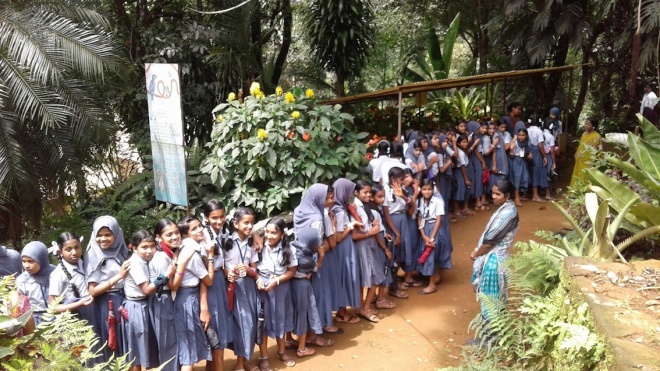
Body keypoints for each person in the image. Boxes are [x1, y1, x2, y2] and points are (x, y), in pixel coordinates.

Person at [292, 183, 339, 345]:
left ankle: (301, 335)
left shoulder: (299, 211)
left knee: (301, 300)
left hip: (297, 259)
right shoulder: (319, 217)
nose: (330, 201)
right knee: (316, 296)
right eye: (326, 198)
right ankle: (313, 334)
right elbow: (319, 245)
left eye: (332, 198)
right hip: (313, 262)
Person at [470, 179, 519, 329]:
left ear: (508, 196)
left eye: (498, 194)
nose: (493, 196)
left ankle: (490, 336)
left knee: (490, 298)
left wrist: (476, 254)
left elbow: (489, 242)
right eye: (493, 193)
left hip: (494, 262)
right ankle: (499, 333)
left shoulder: (507, 214)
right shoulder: (507, 209)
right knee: (498, 296)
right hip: (498, 259)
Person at [123, 230, 171, 370]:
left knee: (145, 345)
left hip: (145, 304)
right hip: (136, 306)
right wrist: (166, 275)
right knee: (137, 347)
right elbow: (146, 289)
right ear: (134, 248)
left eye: (152, 246)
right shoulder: (134, 263)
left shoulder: (144, 260)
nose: (149, 251)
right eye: (144, 247)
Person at [86, 216, 130, 364]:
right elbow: (93, 291)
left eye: (107, 235)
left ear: (116, 235)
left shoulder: (121, 250)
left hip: (123, 302)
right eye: (99, 235)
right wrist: (119, 276)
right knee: (111, 344)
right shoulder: (94, 254)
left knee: (126, 345)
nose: (103, 239)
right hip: (106, 305)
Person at [256, 217, 297, 370]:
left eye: (274, 233)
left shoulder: (289, 249)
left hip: (280, 289)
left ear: (282, 234)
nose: (269, 236)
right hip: (262, 289)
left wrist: (278, 280)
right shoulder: (259, 247)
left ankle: (281, 351)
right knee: (263, 322)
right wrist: (259, 278)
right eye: (267, 232)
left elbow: (292, 271)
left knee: (281, 319)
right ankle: (263, 357)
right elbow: (252, 267)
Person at [222, 207, 260, 371]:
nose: (250, 226)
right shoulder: (226, 242)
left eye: (252, 223)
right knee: (240, 325)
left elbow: (253, 268)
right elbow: (221, 265)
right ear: (235, 224)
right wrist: (228, 273)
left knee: (250, 324)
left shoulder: (252, 242)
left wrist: (249, 270)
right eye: (246, 223)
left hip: (249, 288)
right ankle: (239, 363)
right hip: (233, 289)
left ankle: (244, 360)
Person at [174, 215, 214, 371]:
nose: (200, 230)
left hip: (183, 297)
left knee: (187, 345)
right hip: (188, 298)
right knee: (188, 351)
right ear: (185, 234)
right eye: (194, 228)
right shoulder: (192, 253)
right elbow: (209, 280)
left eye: (200, 226)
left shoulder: (184, 247)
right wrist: (210, 256)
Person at [200, 200, 233, 371]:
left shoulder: (221, 232)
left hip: (220, 280)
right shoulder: (204, 237)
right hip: (209, 284)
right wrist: (204, 306)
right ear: (206, 218)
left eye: (222, 217)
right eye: (214, 218)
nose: (219, 221)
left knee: (219, 328)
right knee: (216, 330)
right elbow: (203, 275)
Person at [152, 218, 184, 371]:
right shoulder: (161, 257)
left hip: (168, 300)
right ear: (158, 238)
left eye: (177, 233)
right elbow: (171, 285)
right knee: (167, 340)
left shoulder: (170, 252)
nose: (174, 237)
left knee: (172, 338)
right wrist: (181, 264)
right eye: (169, 234)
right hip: (162, 300)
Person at [351, 180, 386, 323]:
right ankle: (365, 308)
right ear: (356, 193)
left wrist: (374, 227)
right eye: (364, 192)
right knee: (375, 277)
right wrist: (371, 232)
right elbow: (355, 234)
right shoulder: (355, 209)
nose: (368, 195)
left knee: (368, 277)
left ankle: (362, 307)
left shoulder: (363, 206)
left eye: (369, 192)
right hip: (363, 245)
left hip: (368, 244)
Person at [286, 228, 323, 359]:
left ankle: (289, 339)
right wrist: (321, 256)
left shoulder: (292, 246)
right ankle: (302, 348)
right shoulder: (306, 259)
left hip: (289, 284)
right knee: (303, 314)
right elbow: (315, 268)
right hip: (302, 286)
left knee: (291, 311)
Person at [330, 178, 362, 324]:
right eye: (349, 192)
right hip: (343, 249)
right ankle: (342, 313)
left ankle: (341, 310)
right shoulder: (339, 212)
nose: (350, 195)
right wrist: (351, 225)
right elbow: (337, 237)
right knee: (345, 277)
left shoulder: (334, 208)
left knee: (341, 278)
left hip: (340, 250)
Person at [48, 232, 94, 320]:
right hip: (74, 317)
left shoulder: (85, 263)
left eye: (77, 247)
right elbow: (52, 307)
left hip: (93, 311)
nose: (74, 252)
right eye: (68, 250)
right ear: (60, 252)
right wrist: (79, 303)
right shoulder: (58, 274)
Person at [382, 167, 412, 300]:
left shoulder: (400, 190)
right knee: (393, 256)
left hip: (402, 220)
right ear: (393, 179)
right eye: (401, 179)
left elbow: (411, 204)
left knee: (400, 254)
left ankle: (395, 283)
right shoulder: (386, 193)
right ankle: (392, 288)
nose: (404, 181)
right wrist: (397, 234)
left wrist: (402, 195)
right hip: (393, 223)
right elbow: (387, 216)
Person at [367, 184, 397, 310]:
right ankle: (380, 299)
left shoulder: (372, 209)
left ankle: (375, 297)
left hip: (380, 239)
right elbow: (376, 234)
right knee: (384, 269)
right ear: (372, 197)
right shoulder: (373, 211)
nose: (383, 199)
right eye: (379, 197)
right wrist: (385, 248)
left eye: (384, 196)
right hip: (379, 244)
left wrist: (385, 233)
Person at [416, 179, 447, 295]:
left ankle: (432, 284)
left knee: (431, 255)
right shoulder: (419, 202)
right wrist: (423, 235)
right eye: (424, 189)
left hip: (435, 229)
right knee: (426, 254)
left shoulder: (437, 201)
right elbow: (419, 218)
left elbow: (439, 219)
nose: (427, 192)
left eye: (429, 189)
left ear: (433, 190)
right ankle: (435, 277)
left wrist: (431, 237)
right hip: (424, 229)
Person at [17, 241, 55, 325]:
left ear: (42, 259)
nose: (26, 265)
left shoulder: (56, 274)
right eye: (24, 261)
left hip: (59, 317)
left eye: (30, 261)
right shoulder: (22, 281)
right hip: (35, 321)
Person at [570, 116, 602, 187]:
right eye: (585, 123)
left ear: (593, 126)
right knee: (577, 175)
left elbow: (596, 150)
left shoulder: (596, 136)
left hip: (588, 161)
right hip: (579, 159)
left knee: (585, 176)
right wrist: (576, 154)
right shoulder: (584, 134)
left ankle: (583, 193)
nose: (586, 125)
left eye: (588, 124)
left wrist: (593, 163)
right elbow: (580, 145)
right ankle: (575, 193)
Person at [526, 118, 548, 202]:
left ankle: (526, 193)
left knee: (528, 171)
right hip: (535, 151)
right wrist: (545, 156)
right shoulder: (539, 131)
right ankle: (535, 195)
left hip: (527, 150)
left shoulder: (526, 130)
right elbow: (540, 145)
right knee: (535, 171)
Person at [509, 129, 532, 207]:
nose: (521, 137)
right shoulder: (515, 143)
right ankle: (516, 198)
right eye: (519, 135)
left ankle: (520, 195)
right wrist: (511, 149)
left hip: (523, 161)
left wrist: (529, 155)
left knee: (524, 177)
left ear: (526, 136)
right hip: (516, 161)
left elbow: (527, 152)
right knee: (517, 179)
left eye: (523, 135)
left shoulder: (526, 143)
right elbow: (511, 156)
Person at [452, 135, 472, 218]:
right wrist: (466, 179)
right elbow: (462, 166)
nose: (466, 144)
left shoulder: (462, 150)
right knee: (459, 191)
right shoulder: (460, 152)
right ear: (458, 143)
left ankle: (461, 209)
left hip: (462, 171)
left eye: (466, 142)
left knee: (463, 190)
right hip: (460, 172)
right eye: (463, 142)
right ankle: (456, 210)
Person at [542, 120, 557, 200]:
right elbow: (552, 151)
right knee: (549, 175)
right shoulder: (550, 137)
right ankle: (548, 194)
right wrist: (554, 162)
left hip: (541, 156)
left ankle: (546, 192)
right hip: (548, 156)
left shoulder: (541, 133)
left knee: (544, 173)